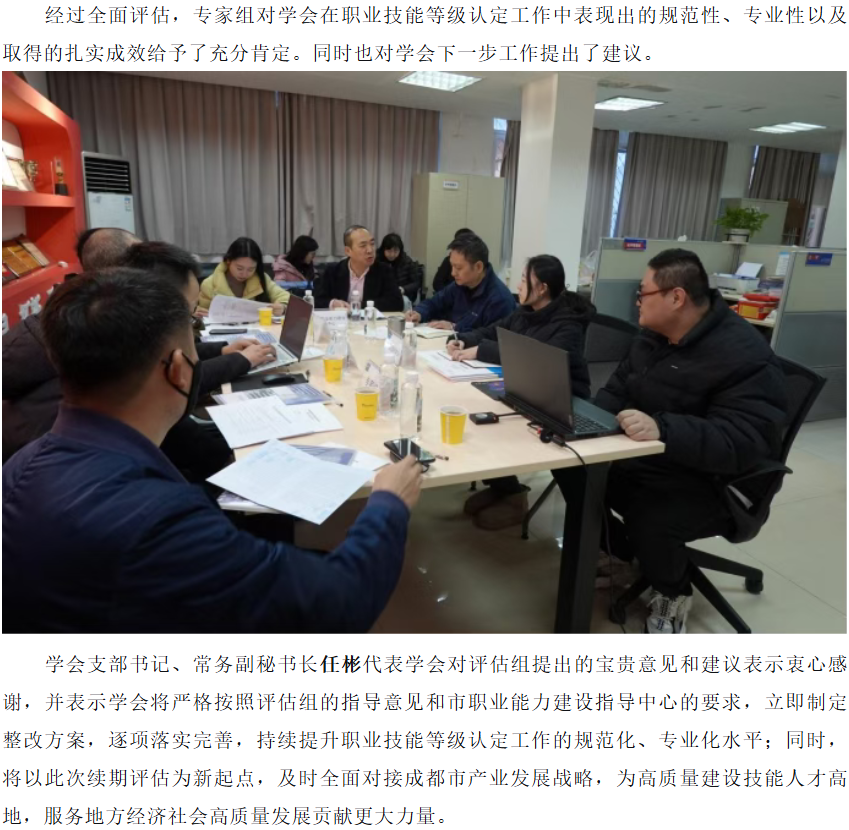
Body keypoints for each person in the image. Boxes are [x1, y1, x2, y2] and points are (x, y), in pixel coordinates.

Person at [2, 268, 424, 633]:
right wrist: (388, 503)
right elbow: (340, 602)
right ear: (179, 370)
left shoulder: (20, 468)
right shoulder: (158, 521)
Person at [555, 248, 787, 634]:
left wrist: (662, 428)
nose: (637, 301)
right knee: (571, 466)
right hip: (659, 458)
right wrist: (587, 426)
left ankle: (673, 591)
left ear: (676, 297)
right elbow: (617, 388)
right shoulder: (653, 336)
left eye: (643, 293)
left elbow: (742, 441)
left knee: (652, 515)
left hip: (718, 479)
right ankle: (624, 556)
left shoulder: (744, 356)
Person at [452, 255, 596, 530]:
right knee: (478, 416)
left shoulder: (568, 323)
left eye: (523, 279)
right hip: (526, 390)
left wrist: (481, 350)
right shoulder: (525, 311)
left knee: (494, 425)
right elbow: (495, 331)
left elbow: (531, 354)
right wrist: (463, 339)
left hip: (562, 399)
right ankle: (505, 488)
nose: (517, 285)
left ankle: (514, 499)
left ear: (541, 288)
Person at [406, 233, 515, 331]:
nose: (453, 273)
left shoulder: (499, 300)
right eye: (452, 266)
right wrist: (419, 313)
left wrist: (455, 327)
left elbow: (490, 338)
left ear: (478, 267)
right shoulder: (459, 285)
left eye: (458, 268)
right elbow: (434, 302)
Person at [314, 225, 404, 312]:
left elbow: (397, 303)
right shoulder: (332, 271)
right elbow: (316, 300)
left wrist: (359, 305)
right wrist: (333, 303)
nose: (370, 250)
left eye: (372, 244)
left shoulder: (384, 270)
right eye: (363, 246)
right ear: (348, 251)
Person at [198, 237, 289, 315]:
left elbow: (287, 298)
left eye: (251, 269)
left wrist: (283, 307)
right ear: (228, 261)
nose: (245, 274)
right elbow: (202, 314)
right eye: (239, 268)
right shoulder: (209, 284)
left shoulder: (261, 279)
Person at [377, 232, 423, 302]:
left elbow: (416, 283)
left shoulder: (407, 261)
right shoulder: (377, 260)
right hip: (381, 295)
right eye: (389, 251)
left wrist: (404, 289)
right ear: (383, 249)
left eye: (395, 251)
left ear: (400, 250)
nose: (392, 255)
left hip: (401, 295)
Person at [431, 228, 473, 294]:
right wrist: (450, 294)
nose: (453, 273)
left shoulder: (475, 263)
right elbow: (437, 284)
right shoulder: (448, 261)